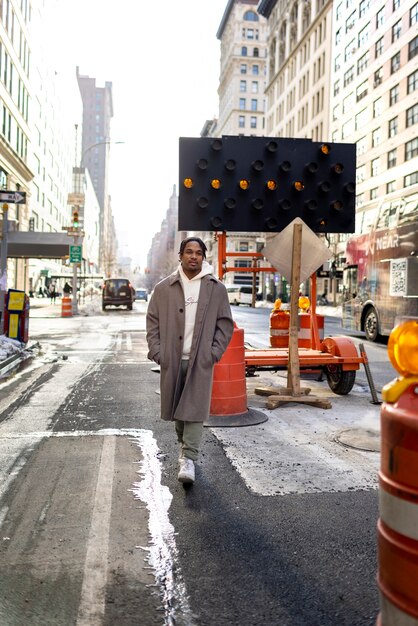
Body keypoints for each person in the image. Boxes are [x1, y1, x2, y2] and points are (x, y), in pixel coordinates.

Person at [146, 237, 234, 485]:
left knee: (194, 410)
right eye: (188, 252)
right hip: (172, 360)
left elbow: (225, 325)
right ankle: (184, 449)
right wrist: (158, 352)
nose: (193, 256)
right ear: (180, 256)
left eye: (198, 253)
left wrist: (212, 353)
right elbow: (152, 321)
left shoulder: (216, 288)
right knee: (178, 411)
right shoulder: (164, 288)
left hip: (200, 361)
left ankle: (189, 458)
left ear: (203, 257)